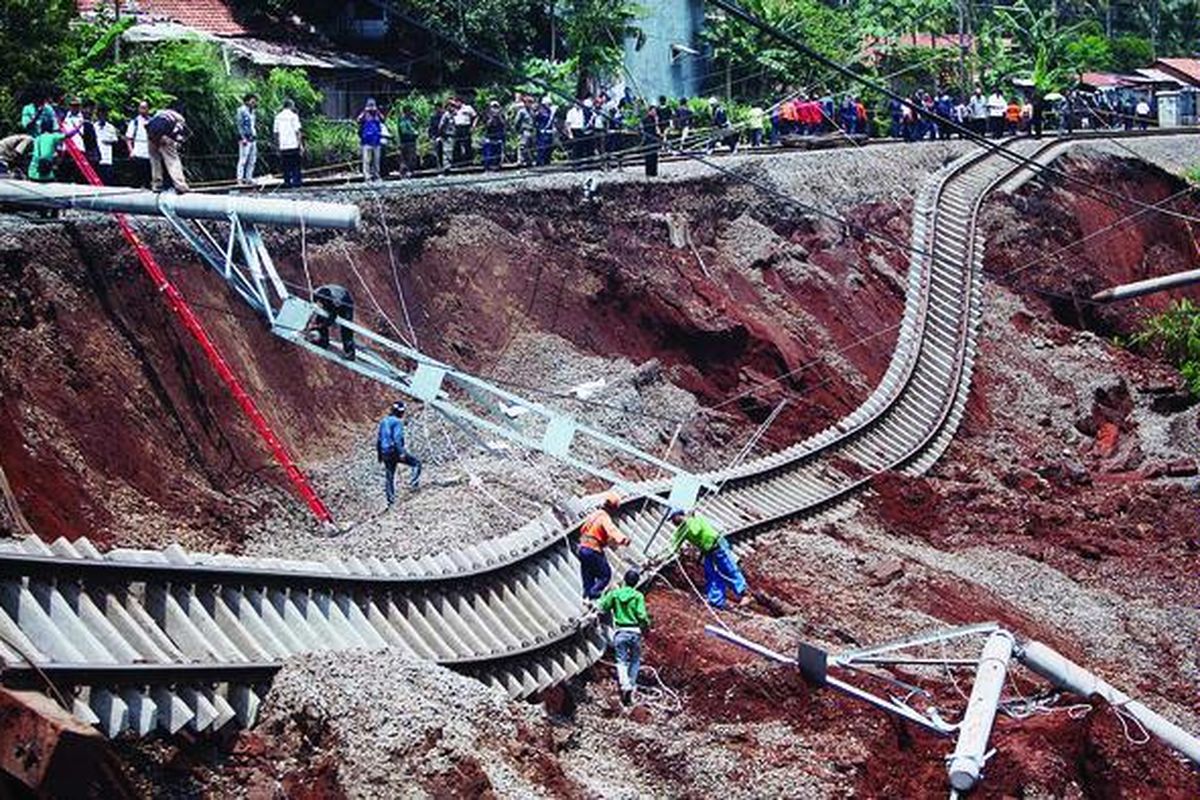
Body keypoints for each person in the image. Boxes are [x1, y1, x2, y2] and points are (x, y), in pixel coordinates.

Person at [662, 508, 751, 609]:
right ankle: (716, 600)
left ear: (679, 516)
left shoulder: (695, 519)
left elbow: (696, 531)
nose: (673, 522)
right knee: (711, 574)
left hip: (717, 546)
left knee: (729, 569)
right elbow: (674, 545)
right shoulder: (681, 530)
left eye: (673, 519)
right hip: (707, 551)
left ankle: (744, 593)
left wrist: (688, 520)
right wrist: (663, 556)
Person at [597, 567, 651, 707]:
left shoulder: (615, 594)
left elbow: (603, 607)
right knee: (635, 659)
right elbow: (641, 615)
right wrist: (646, 625)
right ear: (636, 582)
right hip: (635, 632)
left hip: (620, 632)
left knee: (621, 660)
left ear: (624, 580)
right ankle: (632, 684)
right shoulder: (638, 596)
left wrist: (604, 596)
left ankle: (624, 685)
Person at [577, 491, 631, 600]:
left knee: (588, 575)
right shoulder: (604, 517)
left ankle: (587, 597)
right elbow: (611, 530)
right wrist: (623, 539)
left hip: (583, 548)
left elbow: (583, 529)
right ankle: (594, 594)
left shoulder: (594, 515)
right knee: (605, 575)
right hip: (593, 549)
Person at [377, 400, 422, 506]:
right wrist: (401, 452)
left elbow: (379, 439)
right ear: (400, 412)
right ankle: (414, 486)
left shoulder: (384, 421)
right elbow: (397, 439)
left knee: (389, 476)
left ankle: (391, 501)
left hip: (385, 452)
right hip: (394, 451)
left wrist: (379, 455)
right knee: (416, 463)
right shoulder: (398, 422)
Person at [145, 107, 189, 193]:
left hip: (151, 133)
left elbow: (146, 125)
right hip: (163, 133)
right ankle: (180, 185)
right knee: (172, 159)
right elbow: (177, 131)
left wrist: (153, 137)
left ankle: (156, 184)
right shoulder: (179, 119)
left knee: (155, 160)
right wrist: (174, 141)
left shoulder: (158, 114)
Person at [311, 283, 355, 359]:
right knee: (320, 318)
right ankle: (323, 341)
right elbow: (315, 308)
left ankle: (349, 352)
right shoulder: (316, 294)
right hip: (330, 299)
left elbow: (331, 319)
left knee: (346, 328)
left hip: (345, 301)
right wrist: (315, 323)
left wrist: (319, 326)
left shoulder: (335, 301)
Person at [273, 99, 304, 188]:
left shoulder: (278, 117)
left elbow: (276, 133)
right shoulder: (294, 116)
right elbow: (297, 131)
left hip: (283, 144)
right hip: (293, 143)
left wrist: (277, 145)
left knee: (286, 165)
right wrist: (300, 144)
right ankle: (296, 182)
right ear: (291, 106)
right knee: (295, 164)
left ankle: (287, 182)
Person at [125, 100, 152, 188]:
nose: (143, 110)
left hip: (149, 153)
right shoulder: (134, 122)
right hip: (138, 152)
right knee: (136, 178)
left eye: (145, 108)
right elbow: (129, 138)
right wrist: (131, 151)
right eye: (141, 108)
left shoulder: (152, 121)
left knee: (148, 178)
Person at [357, 98, 385, 182]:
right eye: (370, 106)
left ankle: (376, 175)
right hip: (366, 141)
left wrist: (377, 112)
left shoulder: (377, 114)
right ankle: (367, 177)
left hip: (376, 140)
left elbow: (383, 119)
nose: (372, 108)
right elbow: (358, 120)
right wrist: (365, 111)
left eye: (373, 105)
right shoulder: (364, 114)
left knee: (376, 161)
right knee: (366, 161)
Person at [93, 105, 120, 185]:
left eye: (104, 115)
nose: (102, 117)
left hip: (107, 157)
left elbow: (115, 139)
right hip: (97, 157)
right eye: (100, 115)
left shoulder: (110, 127)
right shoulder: (94, 126)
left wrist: (107, 140)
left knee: (107, 179)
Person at [235, 93, 258, 186]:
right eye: (252, 101)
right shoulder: (241, 110)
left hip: (253, 137)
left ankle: (249, 178)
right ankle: (239, 179)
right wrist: (242, 138)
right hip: (245, 138)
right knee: (243, 160)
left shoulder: (252, 111)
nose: (254, 103)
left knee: (252, 160)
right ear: (247, 101)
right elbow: (239, 125)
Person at [452, 97, 477, 166]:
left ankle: (469, 162)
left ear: (460, 102)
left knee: (467, 144)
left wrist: (473, 126)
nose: (456, 104)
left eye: (456, 102)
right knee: (457, 145)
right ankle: (458, 162)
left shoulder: (468, 108)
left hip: (465, 127)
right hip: (457, 128)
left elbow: (475, 116)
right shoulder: (454, 109)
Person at [481, 100, 505, 170]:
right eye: (493, 107)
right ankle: (487, 167)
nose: (495, 108)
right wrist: (492, 118)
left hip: (498, 136)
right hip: (489, 137)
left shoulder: (501, 115)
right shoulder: (486, 114)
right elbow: (486, 125)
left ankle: (497, 166)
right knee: (488, 153)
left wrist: (499, 117)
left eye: (496, 107)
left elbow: (504, 124)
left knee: (498, 153)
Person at [396, 105, 418, 176]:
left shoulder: (410, 119)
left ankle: (409, 171)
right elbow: (404, 131)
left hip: (411, 141)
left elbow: (416, 126)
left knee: (411, 157)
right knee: (406, 157)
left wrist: (415, 121)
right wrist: (413, 133)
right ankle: (405, 172)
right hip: (406, 141)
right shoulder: (402, 120)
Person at [514, 94, 536, 167]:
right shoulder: (522, 111)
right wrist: (518, 130)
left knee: (530, 146)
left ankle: (529, 161)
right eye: (529, 102)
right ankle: (520, 161)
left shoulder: (532, 111)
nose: (530, 103)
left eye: (531, 102)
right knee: (522, 146)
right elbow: (517, 122)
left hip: (531, 130)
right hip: (524, 131)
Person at [428, 101, 449, 171]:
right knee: (438, 152)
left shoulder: (446, 116)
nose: (437, 109)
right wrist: (431, 136)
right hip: (436, 136)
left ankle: (446, 166)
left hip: (445, 136)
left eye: (438, 108)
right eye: (436, 108)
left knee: (446, 152)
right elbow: (431, 127)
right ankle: (439, 166)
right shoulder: (433, 117)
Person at [641, 102, 661, 178]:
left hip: (654, 139)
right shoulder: (646, 119)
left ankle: (653, 172)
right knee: (649, 156)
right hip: (648, 139)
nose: (655, 112)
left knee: (654, 156)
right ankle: (649, 172)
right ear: (649, 111)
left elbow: (657, 131)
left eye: (655, 111)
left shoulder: (655, 119)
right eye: (653, 111)